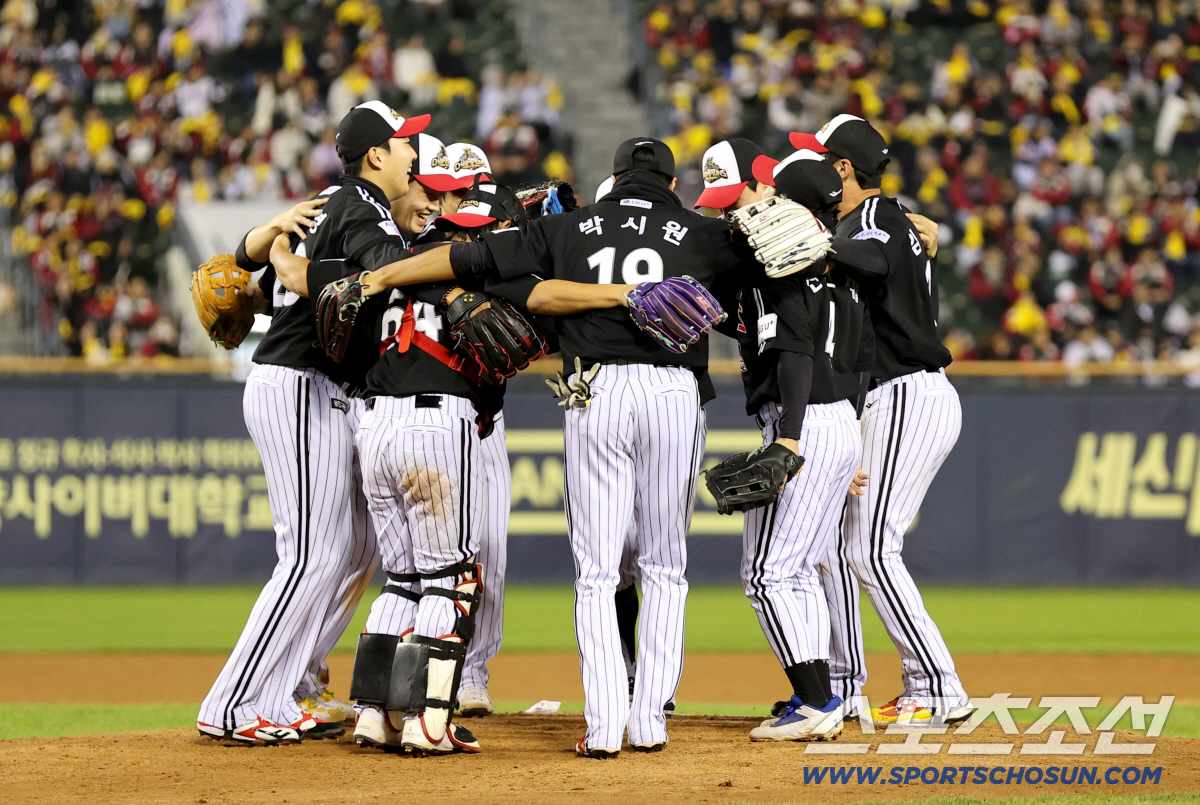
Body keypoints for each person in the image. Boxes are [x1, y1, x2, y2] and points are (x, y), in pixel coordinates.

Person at [356, 137, 761, 758]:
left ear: (615, 178)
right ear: (673, 185)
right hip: (676, 390)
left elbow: (468, 261)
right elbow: (791, 268)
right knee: (665, 565)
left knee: (597, 573)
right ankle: (649, 720)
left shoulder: (573, 228)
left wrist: (384, 273)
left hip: (594, 388)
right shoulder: (706, 233)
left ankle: (602, 727)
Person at [196, 101, 431, 745]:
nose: (414, 153)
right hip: (300, 382)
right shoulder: (360, 203)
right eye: (405, 144)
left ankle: (288, 684)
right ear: (376, 155)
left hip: (317, 384)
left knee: (356, 548)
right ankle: (236, 703)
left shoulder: (337, 200)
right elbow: (384, 270)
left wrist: (266, 245)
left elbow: (257, 262)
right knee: (311, 552)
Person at [791, 114, 972, 724]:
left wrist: (819, 245)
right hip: (887, 398)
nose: (814, 166)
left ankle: (938, 686)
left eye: (821, 158)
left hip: (907, 393)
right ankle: (846, 684)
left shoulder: (873, 220)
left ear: (843, 168)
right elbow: (909, 239)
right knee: (846, 543)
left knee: (870, 547)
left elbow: (874, 256)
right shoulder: (889, 218)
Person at [729, 150, 872, 742]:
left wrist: (788, 435)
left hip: (805, 419)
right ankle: (822, 693)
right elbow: (861, 364)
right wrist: (853, 441)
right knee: (802, 569)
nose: (764, 204)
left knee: (768, 573)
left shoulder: (784, 270)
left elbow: (792, 354)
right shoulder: (844, 275)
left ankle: (815, 700)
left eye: (773, 196)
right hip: (840, 417)